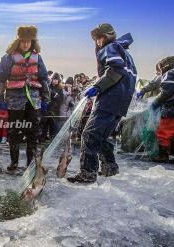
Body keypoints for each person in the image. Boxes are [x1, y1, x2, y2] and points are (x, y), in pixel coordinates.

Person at [68, 23, 137, 183]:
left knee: (89, 134)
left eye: (100, 37)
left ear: (106, 37)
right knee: (101, 137)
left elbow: (115, 70)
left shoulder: (110, 48)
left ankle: (88, 172)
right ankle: (110, 168)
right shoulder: (125, 53)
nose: (98, 41)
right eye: (96, 38)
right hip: (121, 102)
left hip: (109, 99)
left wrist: (97, 87)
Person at [0, 25, 50, 171]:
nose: (25, 44)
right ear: (18, 41)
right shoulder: (8, 57)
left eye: (28, 41)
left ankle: (31, 163)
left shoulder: (38, 57)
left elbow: (44, 78)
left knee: (33, 132)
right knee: (13, 131)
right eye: (23, 41)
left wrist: (46, 98)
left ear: (32, 42)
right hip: (14, 99)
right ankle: (14, 162)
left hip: (34, 99)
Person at [150, 56, 174, 164]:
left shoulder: (171, 73)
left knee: (164, 131)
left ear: (165, 66)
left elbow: (166, 91)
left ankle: (163, 155)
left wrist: (156, 102)